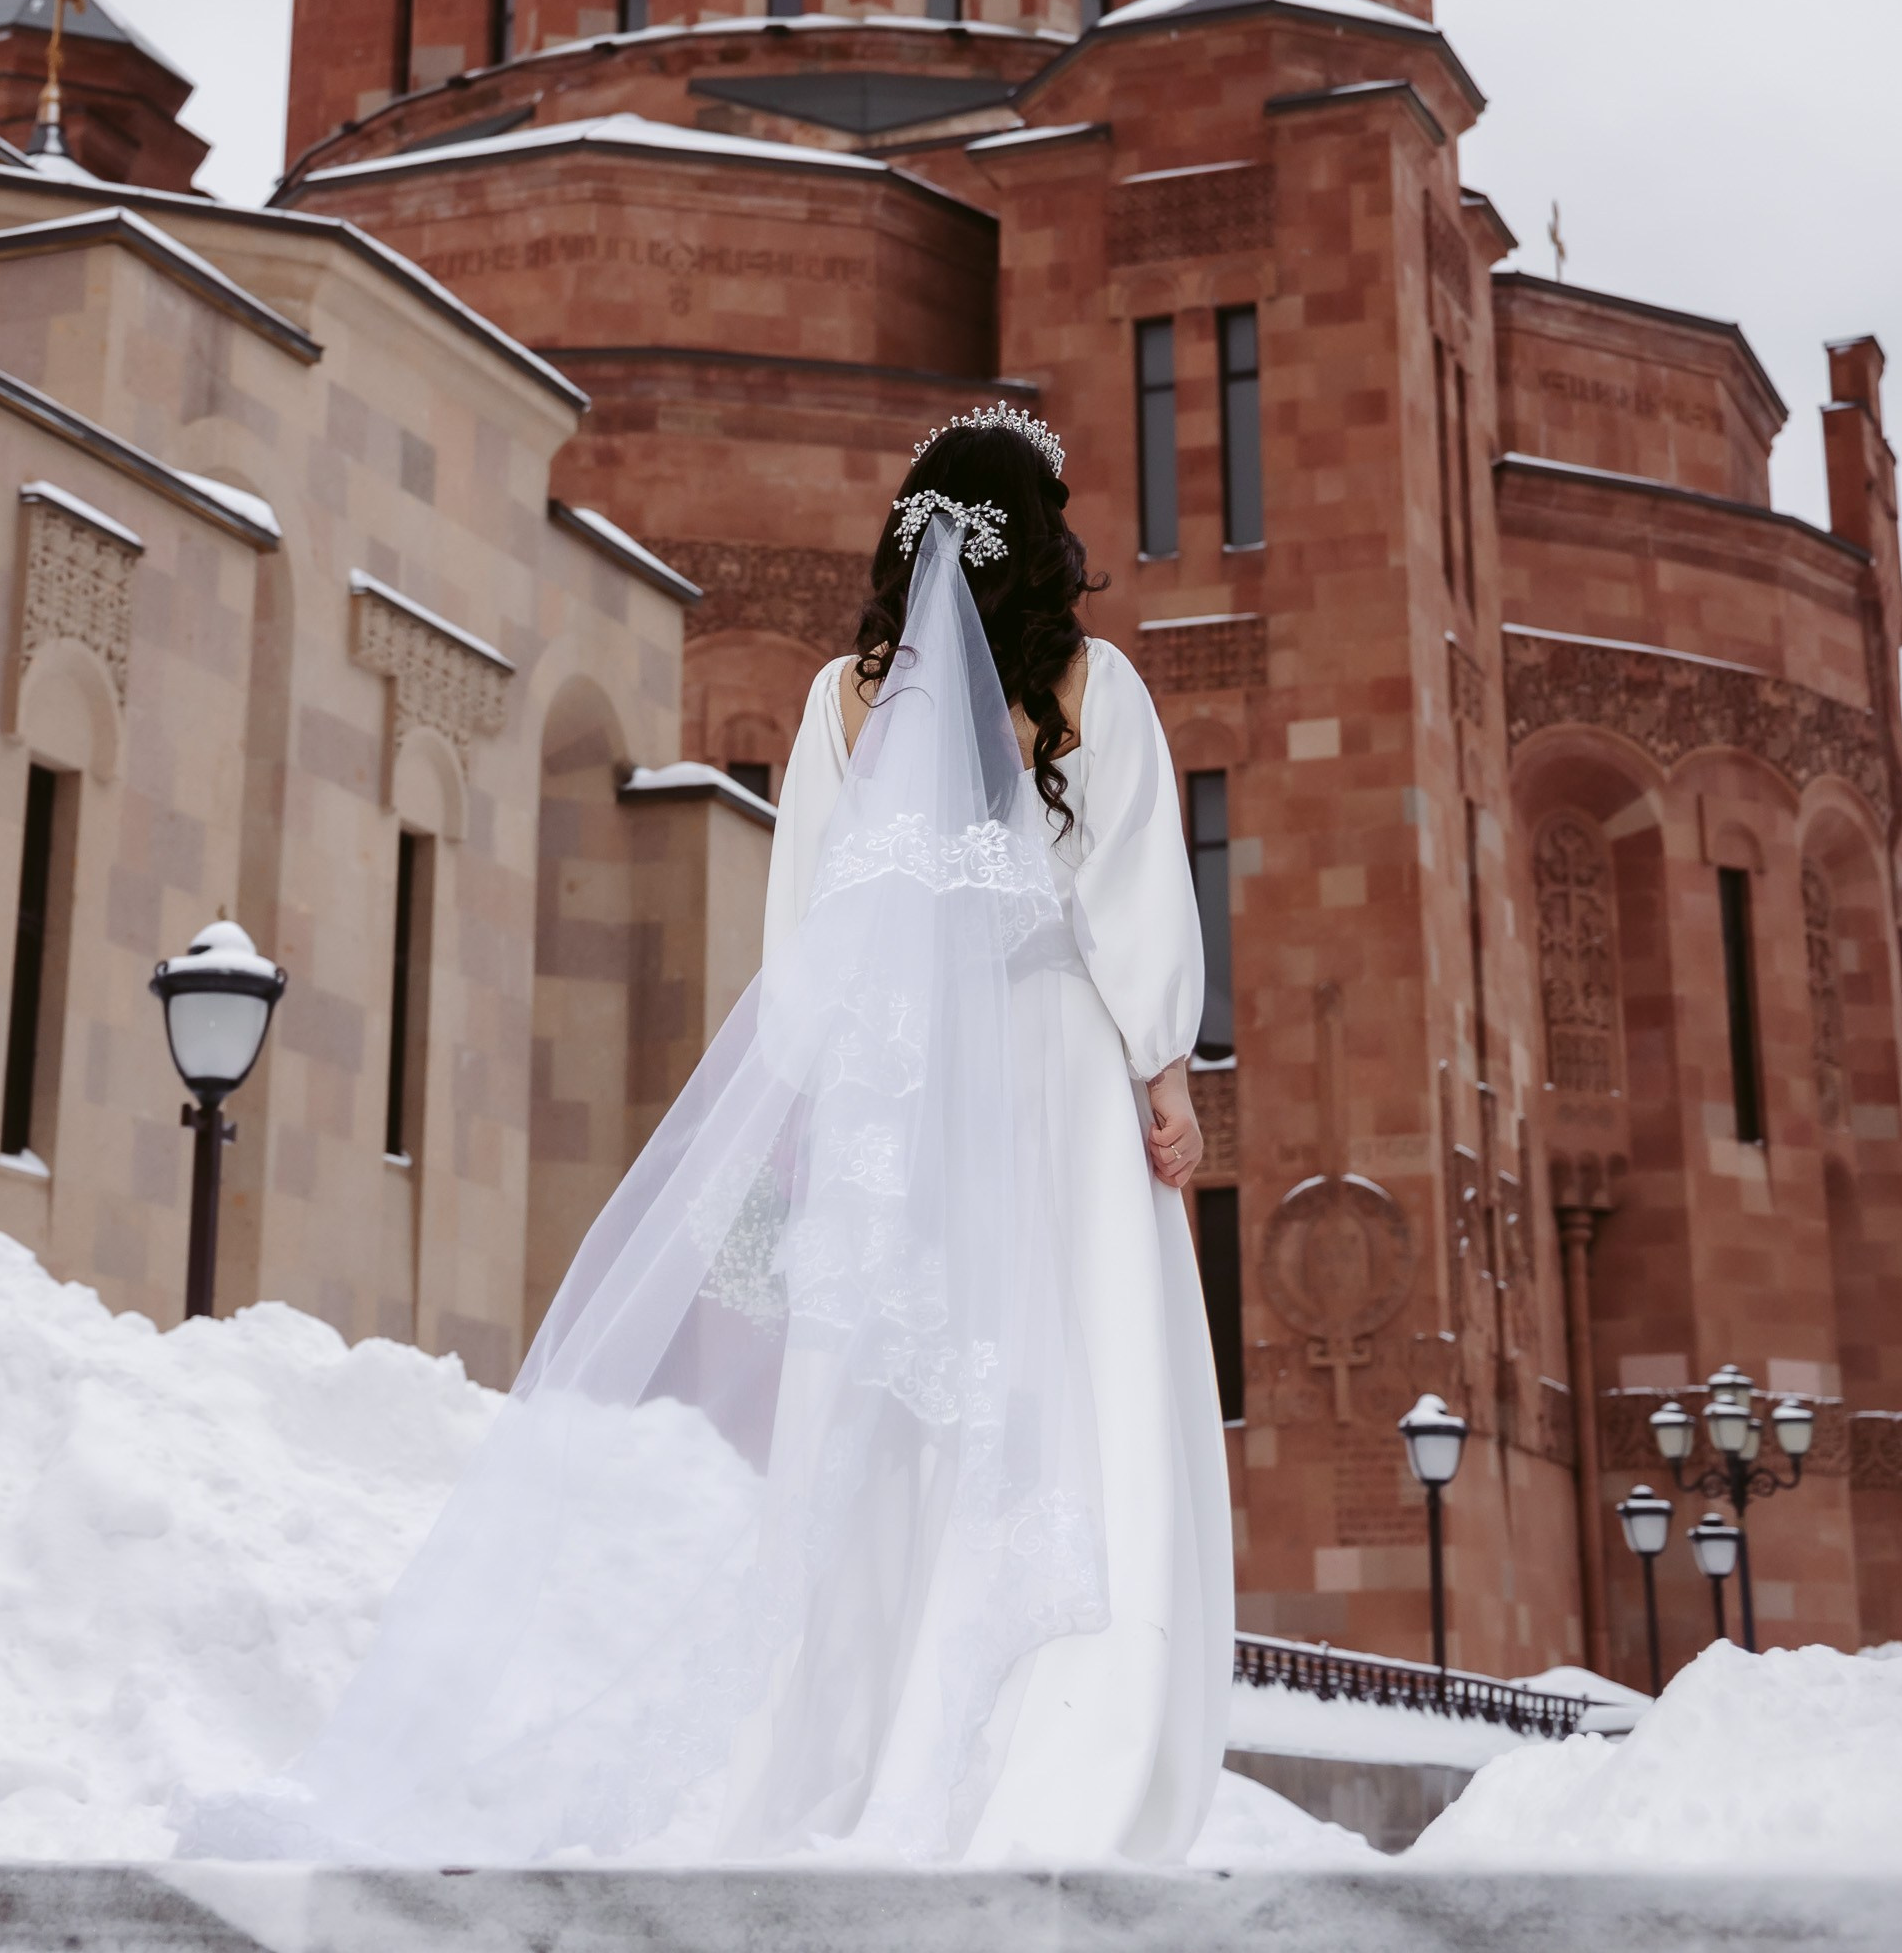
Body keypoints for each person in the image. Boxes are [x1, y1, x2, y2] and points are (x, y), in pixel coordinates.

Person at [183, 406, 1232, 1868]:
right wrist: (1167, 1073)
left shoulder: (843, 700)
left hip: (894, 1094)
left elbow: (802, 935)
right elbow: (1130, 892)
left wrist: (809, 1123)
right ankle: (1066, 1749)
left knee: (894, 1417)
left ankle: (857, 1748)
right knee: (1076, 1384)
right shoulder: (1091, 683)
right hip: (1053, 1066)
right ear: (1038, 541)